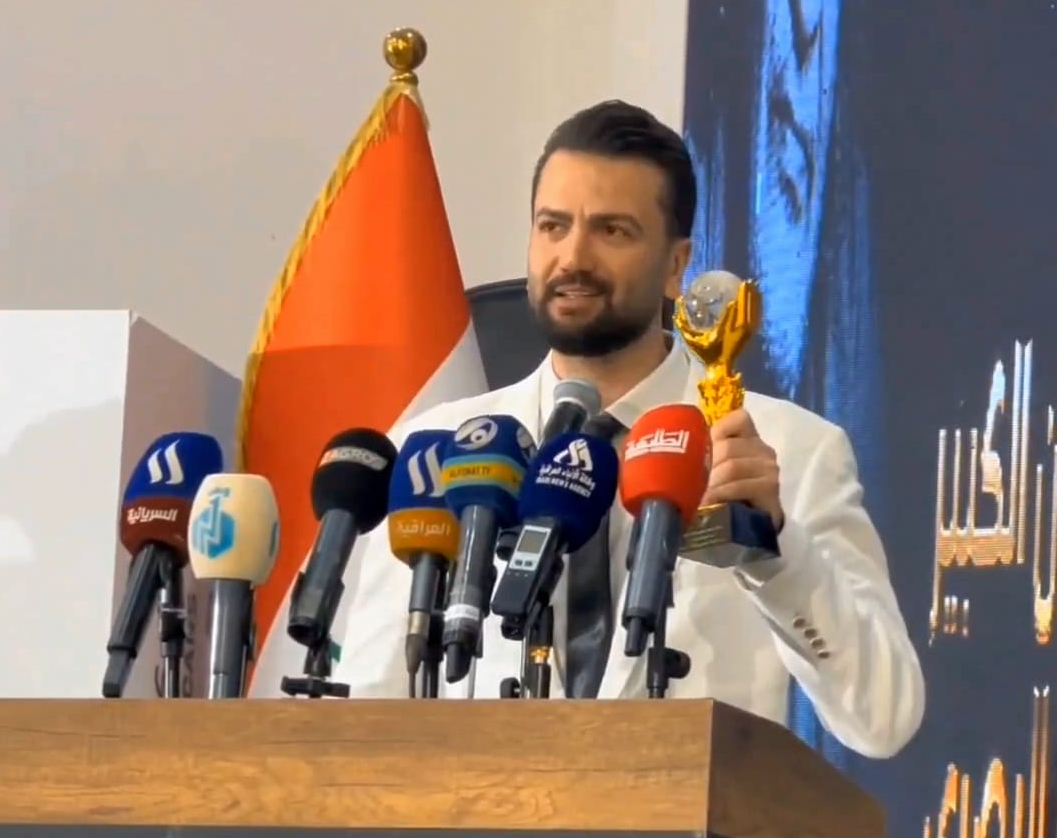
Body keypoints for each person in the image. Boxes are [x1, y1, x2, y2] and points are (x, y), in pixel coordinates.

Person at [336, 99, 924, 759]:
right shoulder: (441, 448)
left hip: (688, 823)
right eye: (552, 226)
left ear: (676, 265)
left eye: (612, 231)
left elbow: (886, 715)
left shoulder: (786, 449)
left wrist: (775, 548)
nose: (572, 257)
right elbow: (366, 711)